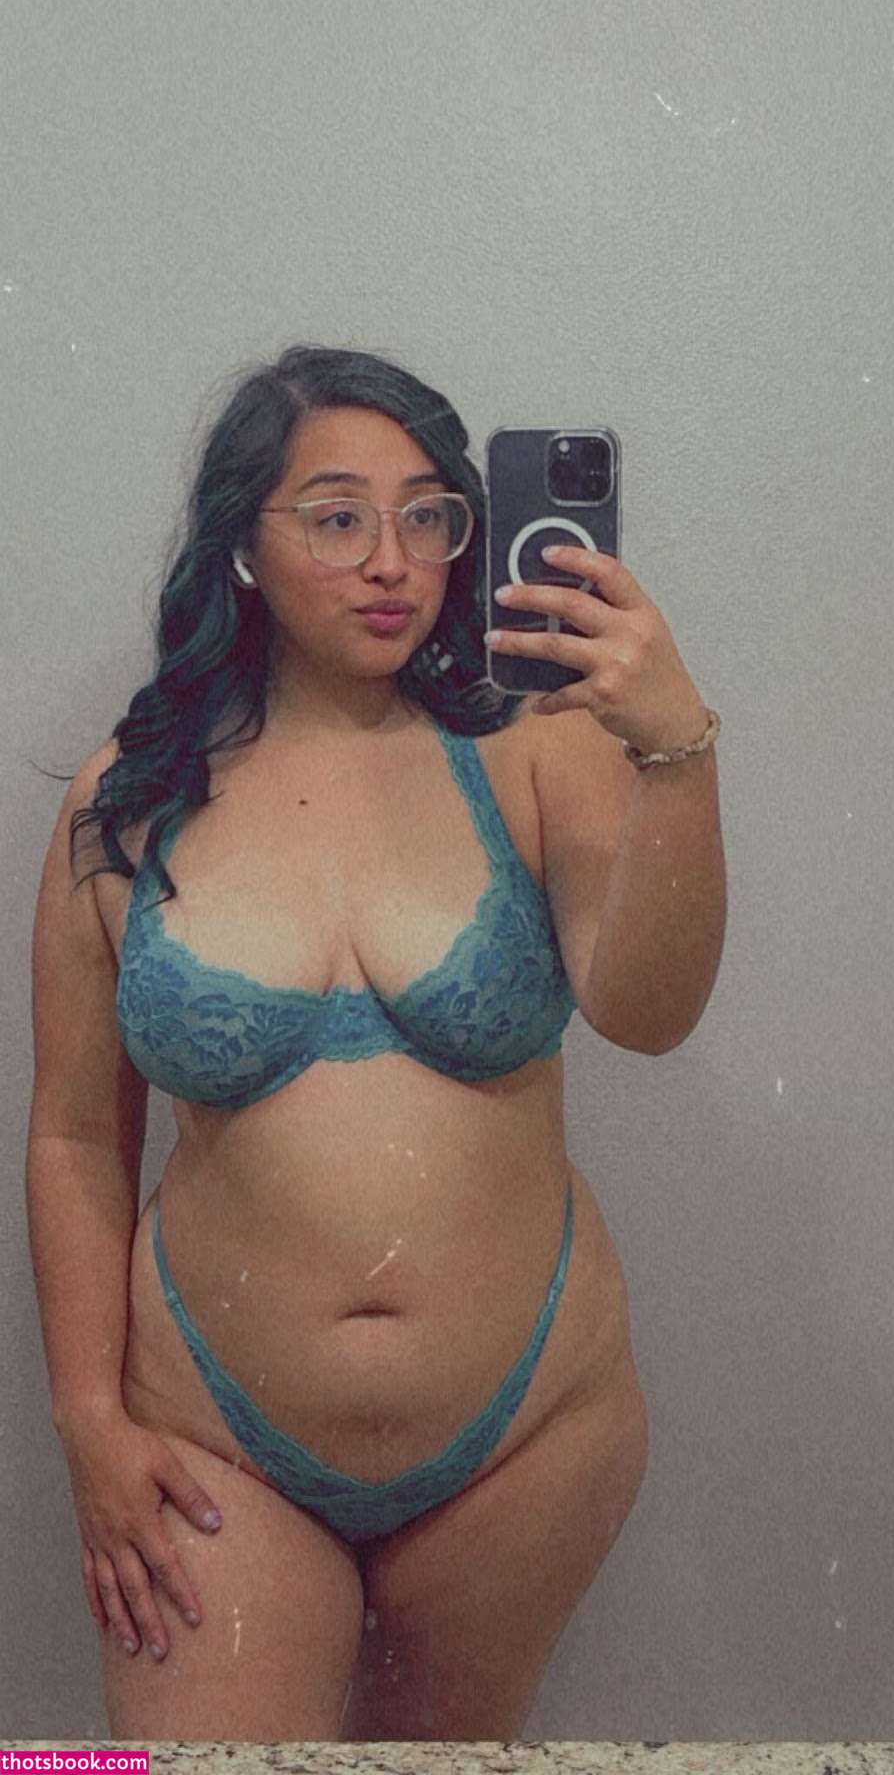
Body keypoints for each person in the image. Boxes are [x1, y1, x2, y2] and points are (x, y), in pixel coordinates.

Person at [26, 344, 725, 1742]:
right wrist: (88, 1422)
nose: (393, 561)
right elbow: (74, 1136)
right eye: (338, 517)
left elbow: (651, 1017)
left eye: (428, 515)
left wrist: (675, 752)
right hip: (215, 1442)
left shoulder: (537, 751)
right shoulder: (131, 799)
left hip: (525, 1434)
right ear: (243, 545)